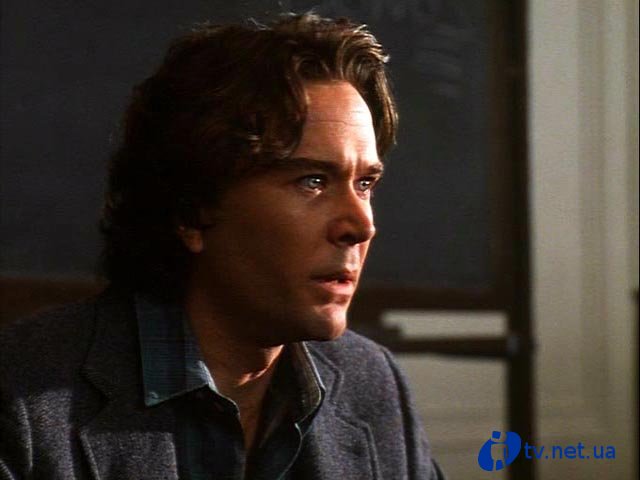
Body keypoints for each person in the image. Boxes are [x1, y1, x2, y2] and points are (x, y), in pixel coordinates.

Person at [0, 12, 445, 480]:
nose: (362, 224)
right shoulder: (22, 398)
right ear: (193, 210)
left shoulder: (371, 384)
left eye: (365, 184)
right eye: (312, 181)